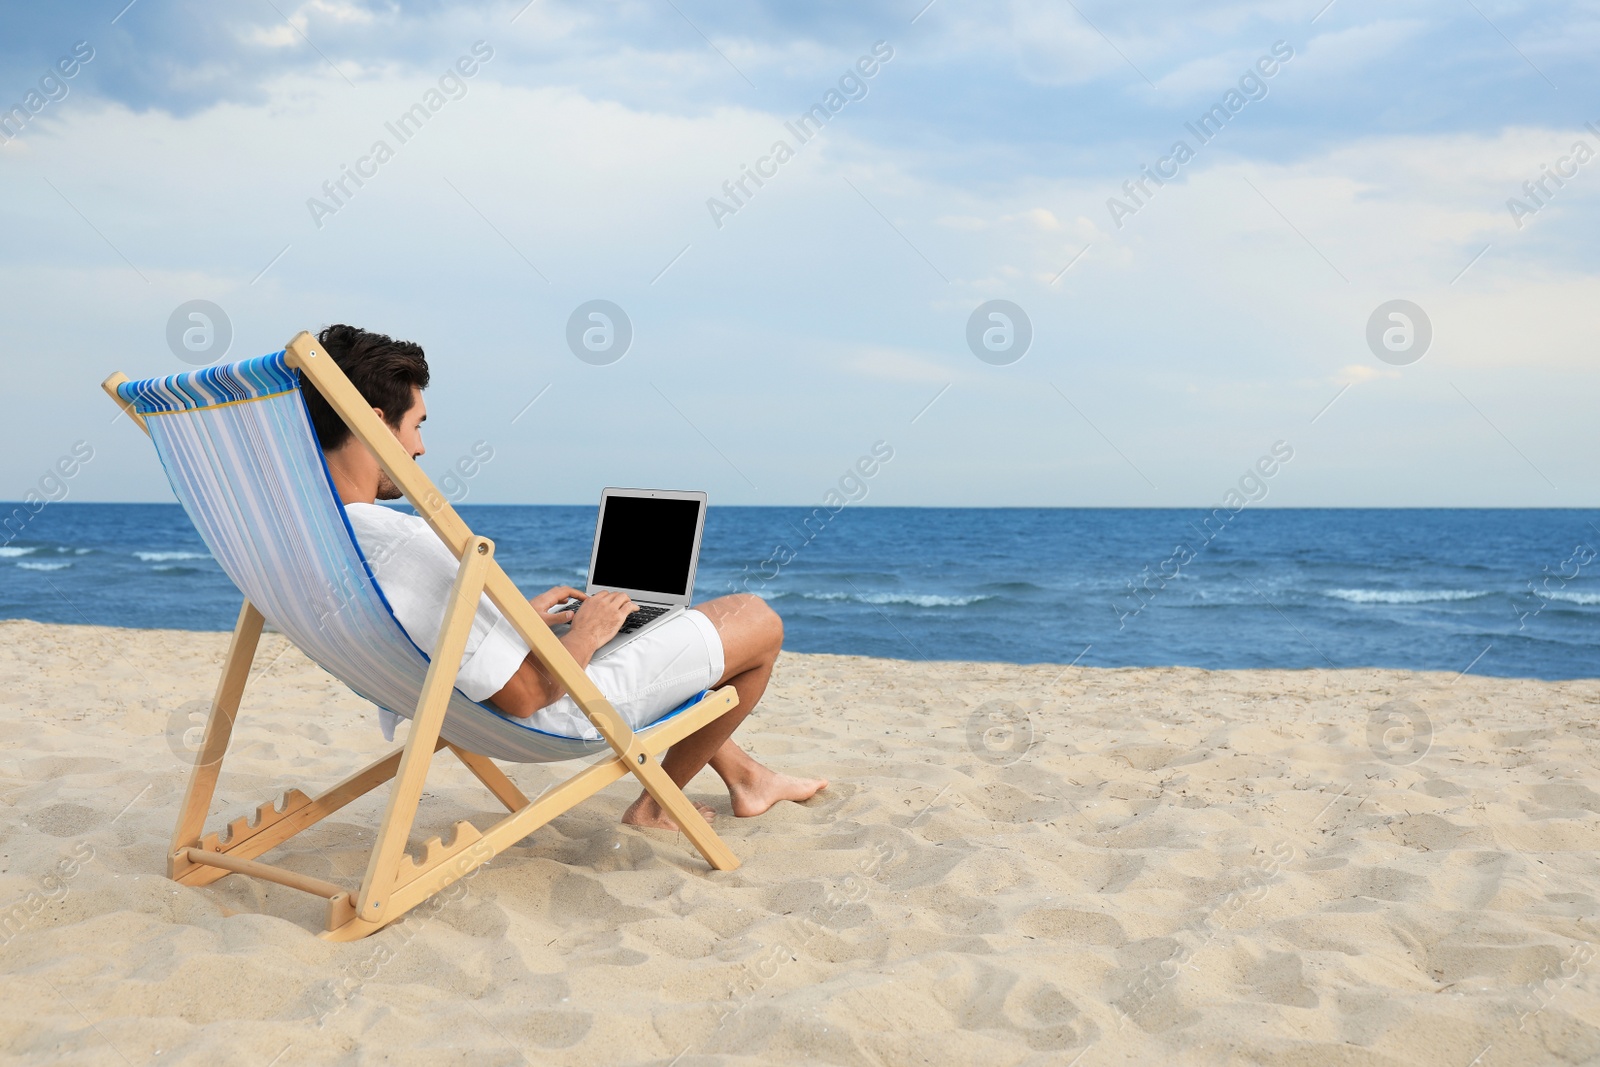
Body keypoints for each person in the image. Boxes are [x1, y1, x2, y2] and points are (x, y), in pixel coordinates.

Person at [301, 324, 826, 830]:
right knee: (755, 620)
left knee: (654, 633)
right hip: (554, 716)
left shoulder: (326, 535)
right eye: (416, 424)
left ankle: (748, 777)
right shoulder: (404, 542)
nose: (419, 449)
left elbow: (433, 634)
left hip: (455, 706)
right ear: (373, 422)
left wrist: (516, 621)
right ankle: (654, 807)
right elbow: (528, 695)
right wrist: (587, 633)